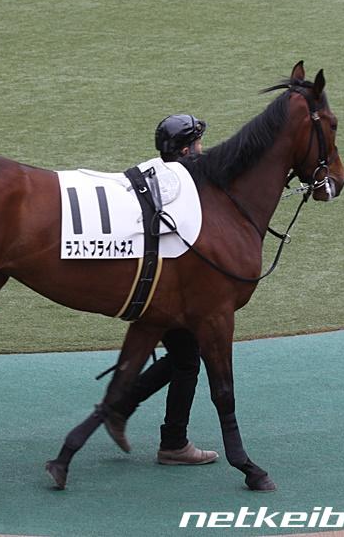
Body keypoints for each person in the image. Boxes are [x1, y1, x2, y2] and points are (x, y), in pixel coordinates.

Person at [109, 114, 218, 465]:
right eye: (198, 143)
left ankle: (126, 410)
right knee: (188, 359)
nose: (202, 148)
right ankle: (172, 442)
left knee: (185, 356)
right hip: (166, 291)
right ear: (186, 150)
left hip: (151, 284)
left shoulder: (157, 175)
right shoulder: (188, 186)